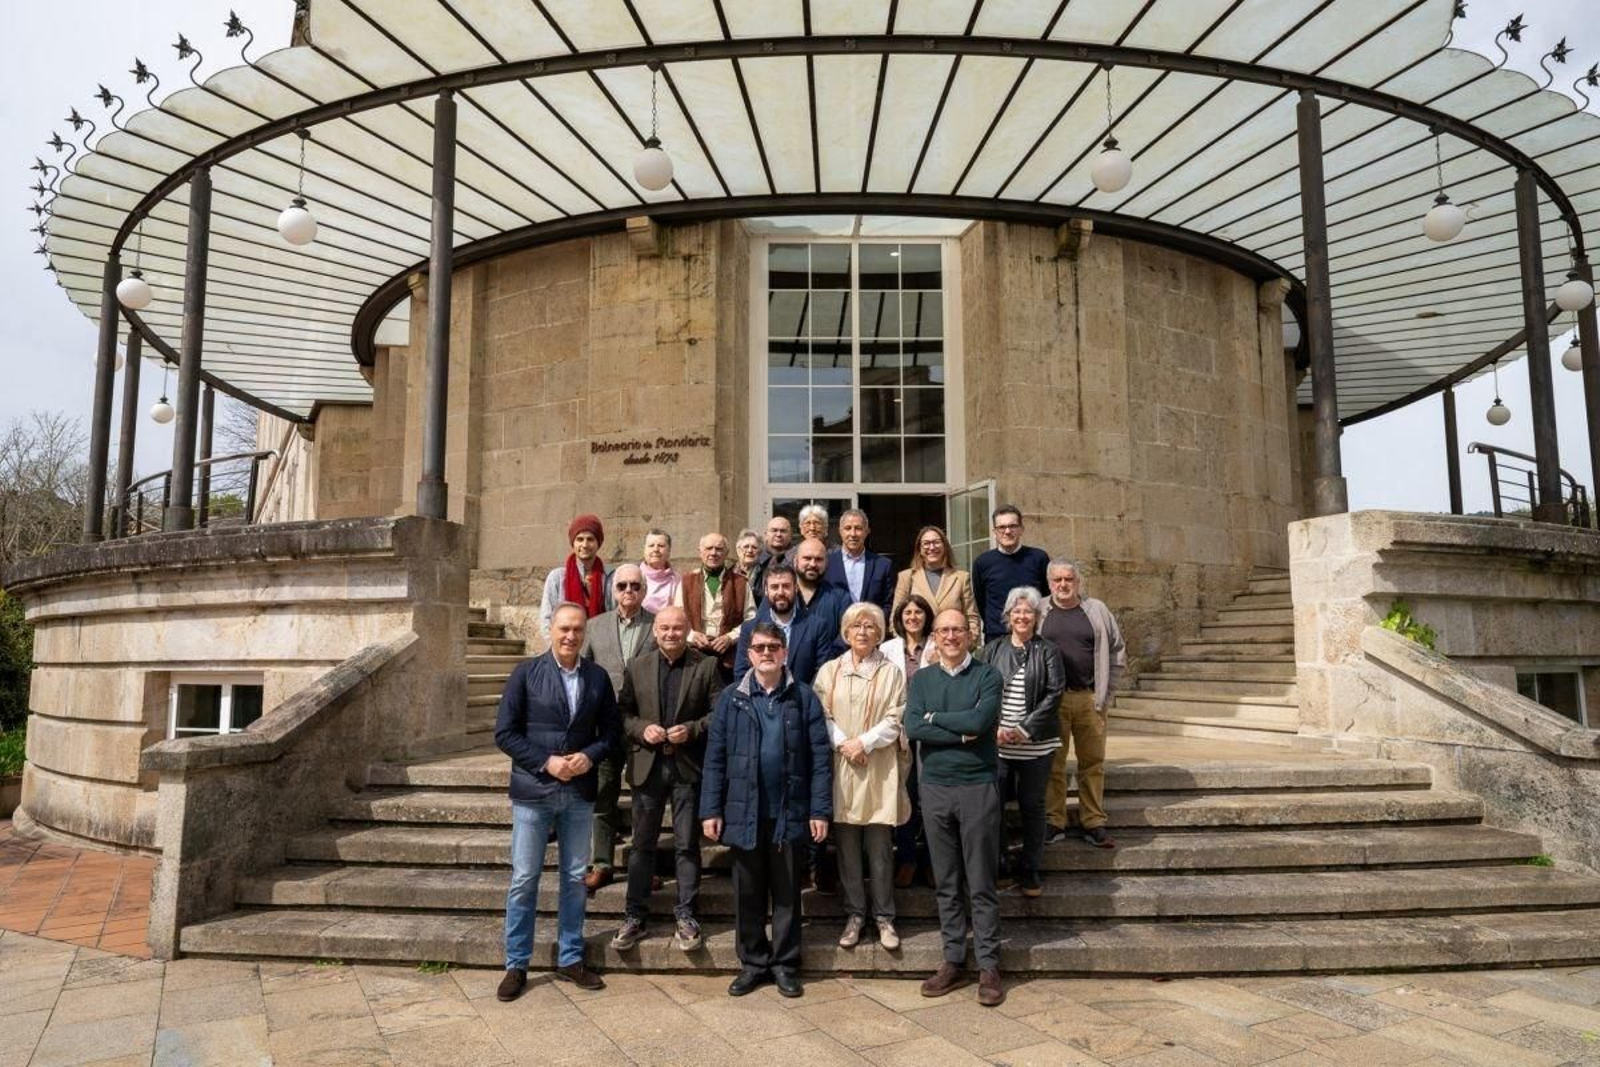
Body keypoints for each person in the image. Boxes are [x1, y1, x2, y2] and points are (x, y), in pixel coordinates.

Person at [494, 602, 619, 1001]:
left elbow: (612, 734)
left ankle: (570, 957)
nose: (571, 636)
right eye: (564, 628)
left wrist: (591, 755)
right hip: (534, 792)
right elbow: (505, 733)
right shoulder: (525, 674)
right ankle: (516, 963)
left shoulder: (597, 678)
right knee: (525, 879)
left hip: (579, 795)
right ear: (550, 629)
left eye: (578, 630)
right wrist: (545, 762)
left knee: (574, 880)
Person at [700, 621, 832, 998]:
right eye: (759, 647)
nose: (767, 653)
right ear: (749, 653)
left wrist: (819, 811)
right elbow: (715, 758)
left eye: (774, 646)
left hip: (788, 812)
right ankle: (754, 963)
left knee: (789, 892)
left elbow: (820, 760)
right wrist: (711, 808)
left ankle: (786, 964)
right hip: (745, 812)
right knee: (749, 893)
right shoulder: (731, 698)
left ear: (785, 652)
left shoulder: (803, 697)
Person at [902, 608, 1006, 1008]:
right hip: (935, 789)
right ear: (935, 635)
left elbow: (980, 722)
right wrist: (957, 730)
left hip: (977, 785)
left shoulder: (987, 676)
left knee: (980, 881)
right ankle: (953, 959)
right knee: (945, 881)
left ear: (970, 634)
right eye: (943, 630)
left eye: (957, 630)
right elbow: (914, 728)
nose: (950, 636)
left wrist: (939, 720)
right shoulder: (923, 679)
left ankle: (989, 965)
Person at [611, 607, 722, 953]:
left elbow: (719, 713)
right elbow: (622, 713)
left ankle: (686, 914)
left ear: (687, 630)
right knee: (642, 845)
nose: (671, 633)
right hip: (648, 768)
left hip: (687, 768)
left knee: (687, 844)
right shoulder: (638, 665)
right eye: (664, 628)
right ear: (655, 631)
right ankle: (634, 915)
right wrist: (642, 729)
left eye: (677, 628)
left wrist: (690, 730)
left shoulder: (705, 666)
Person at [813, 603, 908, 951]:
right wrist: (844, 744)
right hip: (842, 766)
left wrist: (864, 742)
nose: (863, 632)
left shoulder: (891, 672)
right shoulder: (829, 671)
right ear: (846, 632)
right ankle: (855, 914)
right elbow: (820, 713)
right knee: (847, 845)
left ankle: (884, 916)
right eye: (857, 626)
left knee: (880, 846)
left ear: (880, 633)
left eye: (870, 626)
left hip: (878, 765)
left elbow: (896, 715)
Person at [976, 588, 1064, 898]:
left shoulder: (1048, 651)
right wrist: (995, 727)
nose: (1022, 616)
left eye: (1028, 612)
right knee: (994, 807)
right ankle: (1000, 864)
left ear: (1037, 617)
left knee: (1032, 807)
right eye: (1017, 611)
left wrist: (1025, 729)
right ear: (1008, 616)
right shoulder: (992, 649)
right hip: (998, 744)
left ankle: (1030, 868)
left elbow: (1055, 693)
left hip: (1036, 745)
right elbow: (980, 690)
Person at [1039, 559, 1126, 850]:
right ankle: (1054, 820)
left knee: (1092, 763)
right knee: (1053, 763)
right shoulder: (1039, 610)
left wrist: (1107, 693)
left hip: (1090, 698)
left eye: (1069, 579)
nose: (1063, 585)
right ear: (1049, 583)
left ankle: (1093, 821)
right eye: (1057, 580)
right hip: (1052, 701)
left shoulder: (1097, 610)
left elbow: (1117, 651)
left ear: (1078, 582)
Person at [580, 564, 656, 891]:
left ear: (644, 590)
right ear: (613, 590)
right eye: (622, 585)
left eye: (635, 586)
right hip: (605, 725)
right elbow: (581, 673)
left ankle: (643, 865)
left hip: (642, 724)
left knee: (645, 799)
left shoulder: (657, 626)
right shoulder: (594, 627)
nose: (629, 591)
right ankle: (601, 863)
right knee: (602, 794)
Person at [880, 594, 937, 888]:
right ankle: (906, 859)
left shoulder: (938, 645)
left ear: (927, 616)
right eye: (907, 613)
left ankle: (930, 861)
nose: (913, 617)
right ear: (900, 618)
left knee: (930, 797)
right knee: (904, 796)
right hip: (900, 732)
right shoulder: (888, 648)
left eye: (918, 612)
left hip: (933, 732)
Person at [732, 564, 835, 685]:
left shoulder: (817, 626)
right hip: (760, 701)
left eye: (786, 586)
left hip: (802, 700)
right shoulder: (750, 628)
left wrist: (805, 699)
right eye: (774, 587)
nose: (780, 592)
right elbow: (741, 673)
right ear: (766, 591)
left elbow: (822, 674)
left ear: (796, 588)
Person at [675, 531, 755, 680]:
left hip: (729, 658)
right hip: (693, 657)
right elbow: (677, 617)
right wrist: (692, 636)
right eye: (709, 548)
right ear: (700, 552)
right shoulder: (686, 582)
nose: (713, 553)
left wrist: (730, 638)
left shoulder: (741, 583)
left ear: (727, 553)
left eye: (719, 549)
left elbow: (751, 619)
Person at [970, 505, 1050, 644]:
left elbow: (1047, 597)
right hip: (997, 638)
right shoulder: (982, 562)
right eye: (1001, 527)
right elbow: (981, 601)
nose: (1007, 531)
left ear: (1021, 530)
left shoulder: (1039, 558)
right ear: (994, 531)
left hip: (1033, 636)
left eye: (1013, 526)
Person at [893, 525, 981, 648]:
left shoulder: (961, 578)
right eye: (926, 543)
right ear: (919, 549)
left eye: (936, 542)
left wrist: (966, 646)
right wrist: (909, 648)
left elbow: (972, 618)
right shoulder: (906, 577)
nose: (932, 547)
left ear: (945, 546)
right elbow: (895, 619)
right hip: (919, 650)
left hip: (953, 646)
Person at [540, 514, 612, 638]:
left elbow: (614, 617)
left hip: (600, 647)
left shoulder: (609, 577)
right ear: (573, 543)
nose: (584, 545)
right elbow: (546, 619)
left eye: (590, 539)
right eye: (580, 539)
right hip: (566, 645)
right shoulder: (557, 578)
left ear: (598, 543)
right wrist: (557, 650)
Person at [825, 508, 894, 616]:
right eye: (848, 528)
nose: (853, 534)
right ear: (840, 531)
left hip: (871, 629)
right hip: (835, 630)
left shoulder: (883, 565)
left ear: (867, 531)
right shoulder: (827, 564)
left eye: (858, 528)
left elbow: (888, 604)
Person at [794, 536, 849, 641]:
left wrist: (828, 656)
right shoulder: (779, 594)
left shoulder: (841, 599)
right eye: (807, 558)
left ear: (826, 563)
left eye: (818, 559)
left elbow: (847, 633)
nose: (813, 564)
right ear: (796, 560)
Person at [749, 516, 796, 605]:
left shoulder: (798, 559)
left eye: (783, 531)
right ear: (766, 534)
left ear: (790, 535)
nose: (778, 534)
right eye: (774, 530)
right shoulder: (754, 558)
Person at [640, 528, 681, 613]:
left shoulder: (677, 580)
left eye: (661, 546)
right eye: (651, 545)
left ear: (669, 551)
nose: (655, 549)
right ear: (644, 550)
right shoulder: (634, 576)